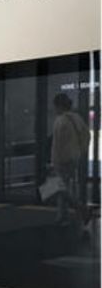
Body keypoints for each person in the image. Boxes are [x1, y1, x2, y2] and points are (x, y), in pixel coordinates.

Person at [51, 92, 91, 224]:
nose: (54, 109)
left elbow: (57, 144)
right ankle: (61, 215)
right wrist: (81, 150)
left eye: (55, 106)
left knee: (61, 188)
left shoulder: (60, 120)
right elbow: (87, 135)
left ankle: (81, 208)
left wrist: (53, 162)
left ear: (59, 106)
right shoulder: (77, 118)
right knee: (62, 186)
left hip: (62, 159)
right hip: (74, 157)